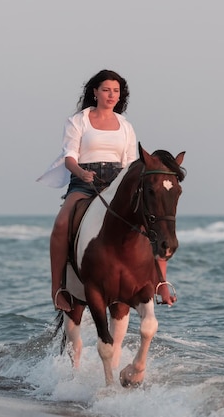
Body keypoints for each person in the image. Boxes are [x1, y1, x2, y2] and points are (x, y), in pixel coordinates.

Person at [37, 69, 173, 312]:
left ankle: (161, 283)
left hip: (117, 183)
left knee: (151, 220)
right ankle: (58, 289)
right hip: (84, 182)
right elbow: (69, 157)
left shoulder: (125, 126)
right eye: (107, 90)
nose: (112, 95)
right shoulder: (78, 120)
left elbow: (130, 162)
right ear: (95, 92)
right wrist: (81, 173)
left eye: (116, 91)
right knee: (61, 224)